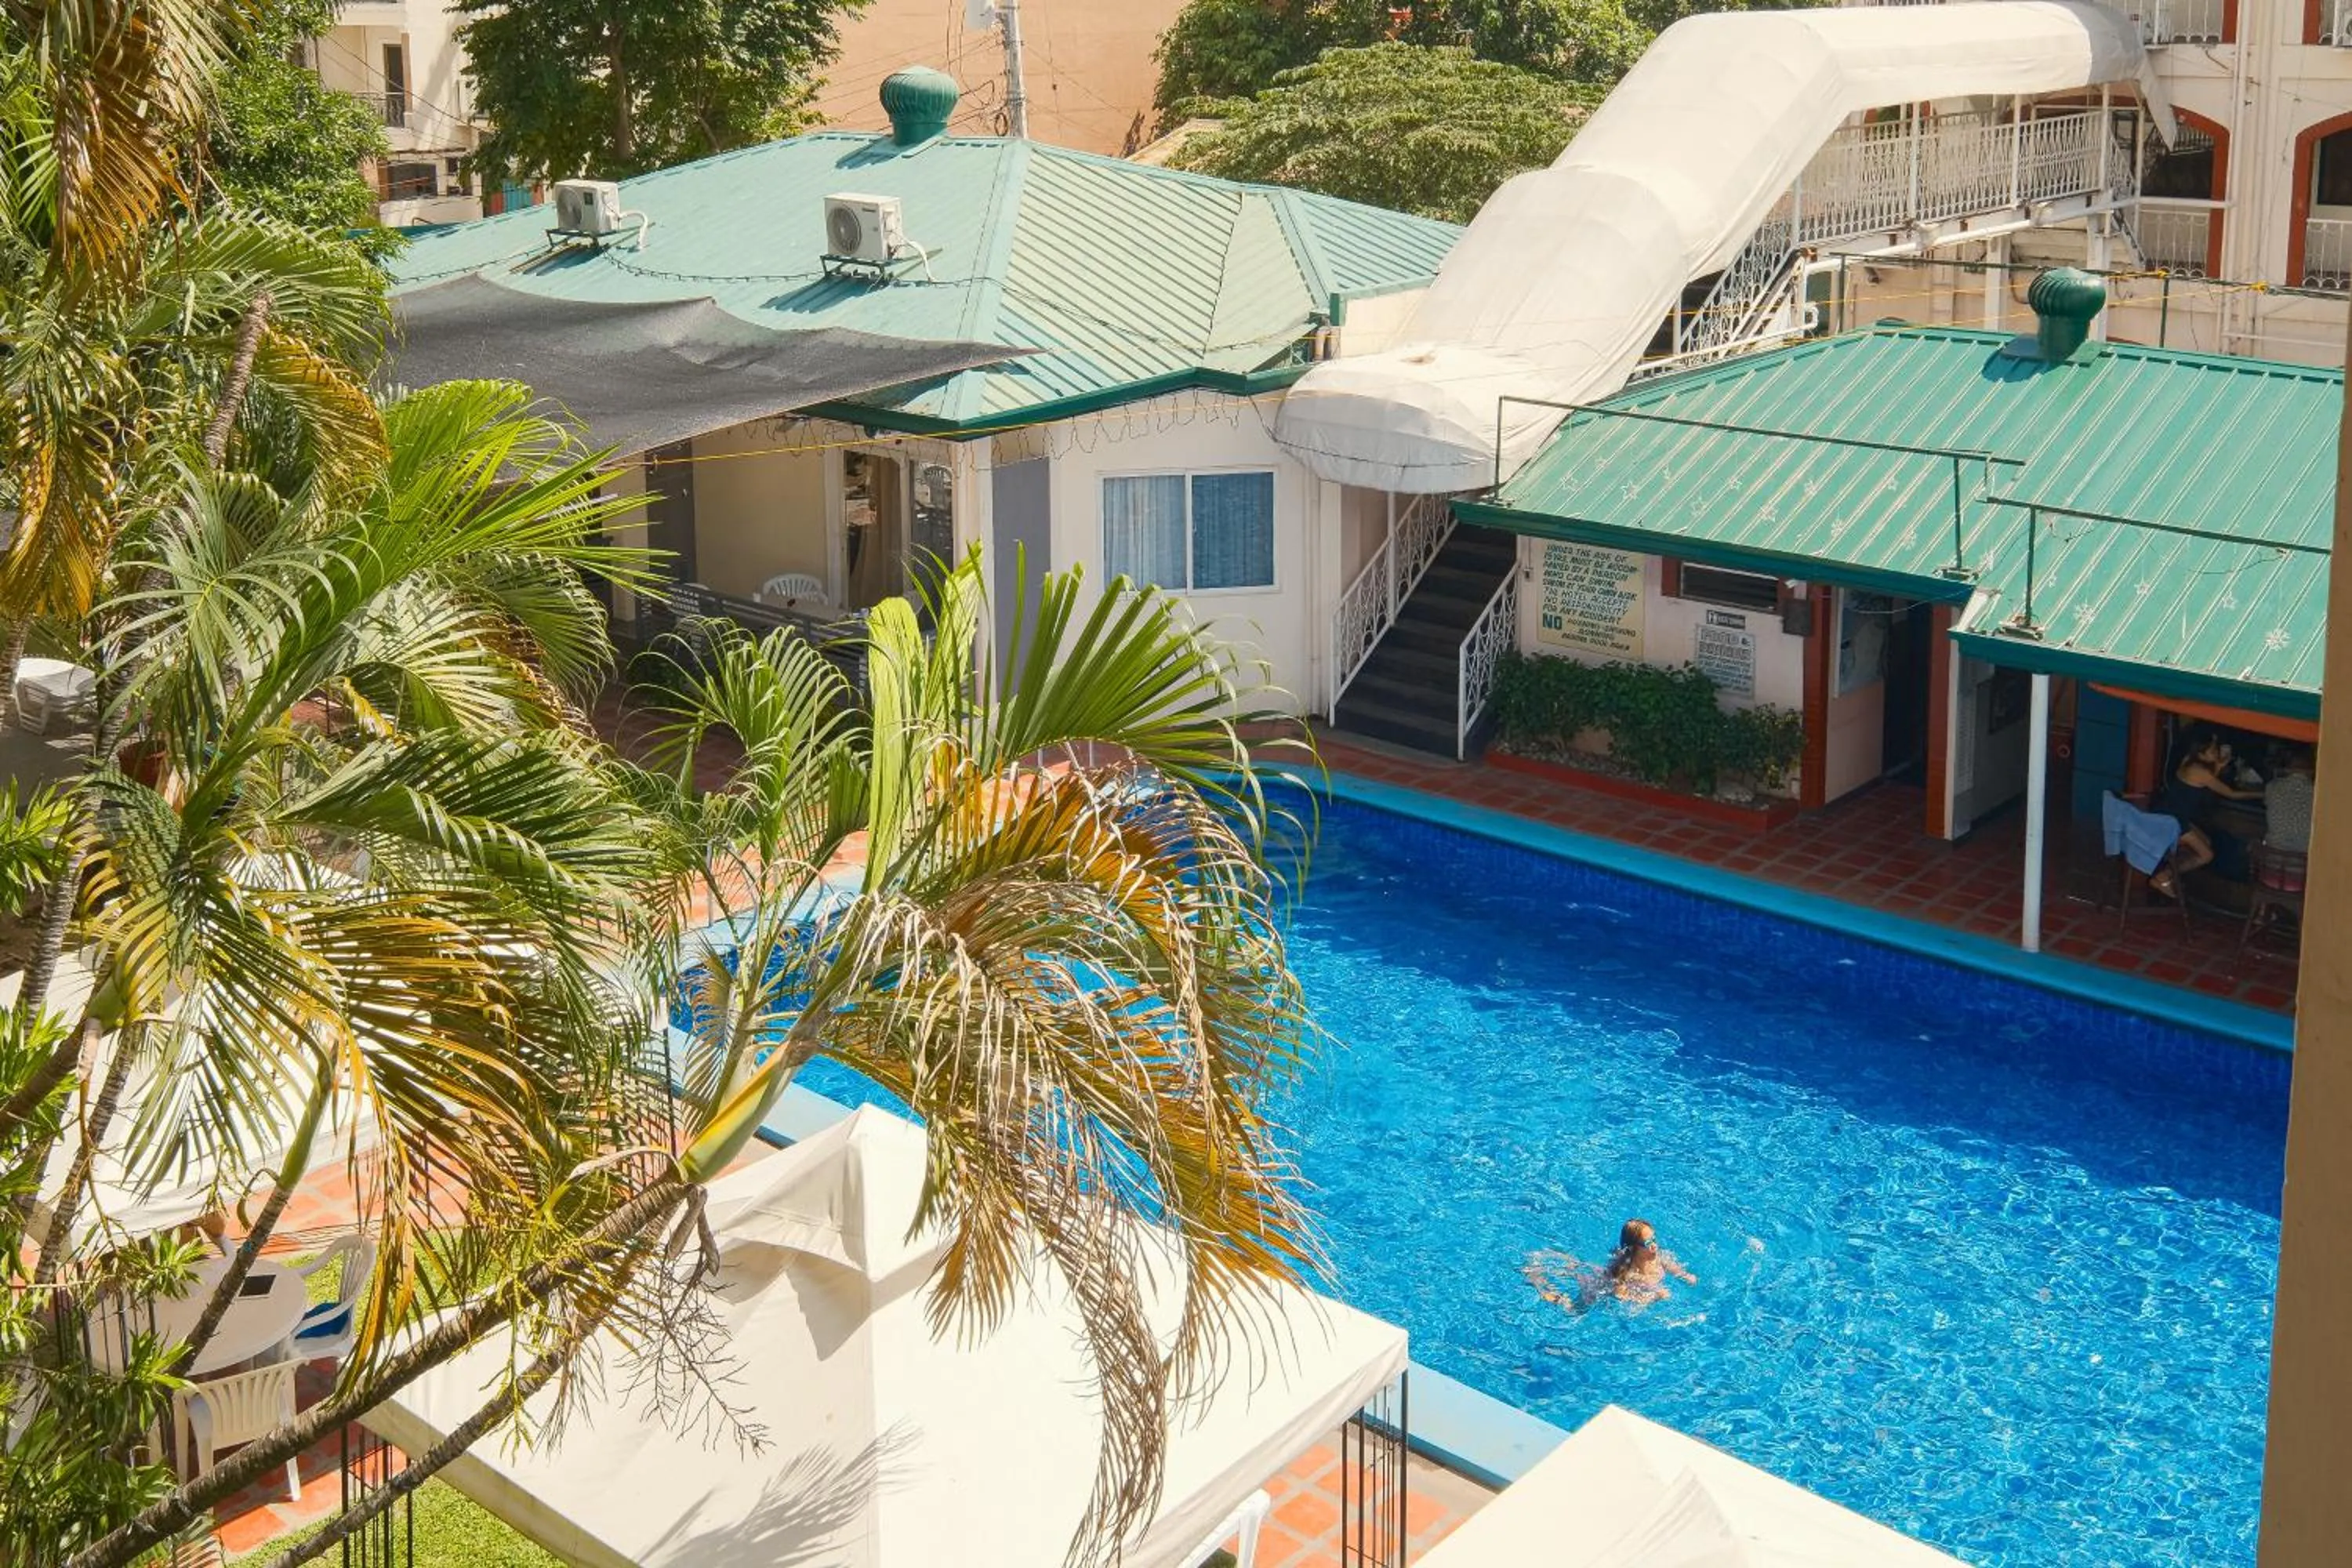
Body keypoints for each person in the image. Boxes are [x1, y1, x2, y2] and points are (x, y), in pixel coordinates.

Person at [2151, 730, 2263, 895]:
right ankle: (2163, 877)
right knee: (2207, 855)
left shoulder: (2188, 760)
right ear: (2201, 754)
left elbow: (2204, 782)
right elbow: (2231, 793)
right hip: (2174, 822)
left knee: (2206, 842)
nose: (2216, 752)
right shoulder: (2201, 772)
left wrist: (2218, 766)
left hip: (2168, 813)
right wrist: (2263, 793)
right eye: (2212, 750)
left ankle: (2170, 871)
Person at [1526, 1218, 1697, 1309]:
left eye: (1654, 1239)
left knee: (1578, 1268)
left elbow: (1673, 1268)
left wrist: (1685, 1276)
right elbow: (1621, 1299)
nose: (1654, 1245)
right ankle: (1540, 1284)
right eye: (1647, 1243)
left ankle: (1568, 1265)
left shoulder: (1658, 1257)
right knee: (1573, 1309)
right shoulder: (1627, 1274)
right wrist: (1654, 1297)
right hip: (1600, 1287)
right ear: (1634, 1248)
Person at [2264, 746, 2316, 855]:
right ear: (2312, 770)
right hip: (2304, 864)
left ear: (2287, 768)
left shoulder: (2272, 787)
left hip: (2271, 862)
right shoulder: (2319, 795)